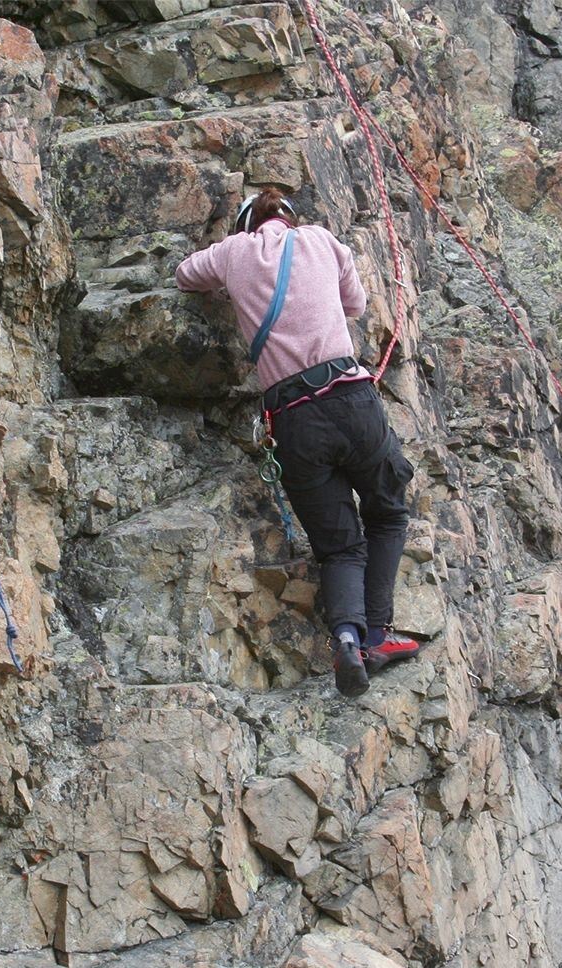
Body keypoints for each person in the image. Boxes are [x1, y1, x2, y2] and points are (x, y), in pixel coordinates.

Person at [175, 187, 420, 698]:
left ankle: (348, 640)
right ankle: (377, 633)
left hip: (291, 417)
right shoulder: (322, 240)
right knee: (388, 510)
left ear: (247, 224)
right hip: (352, 400)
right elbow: (354, 303)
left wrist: (231, 287)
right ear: (289, 218)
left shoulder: (233, 252)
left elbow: (184, 275)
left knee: (338, 547)